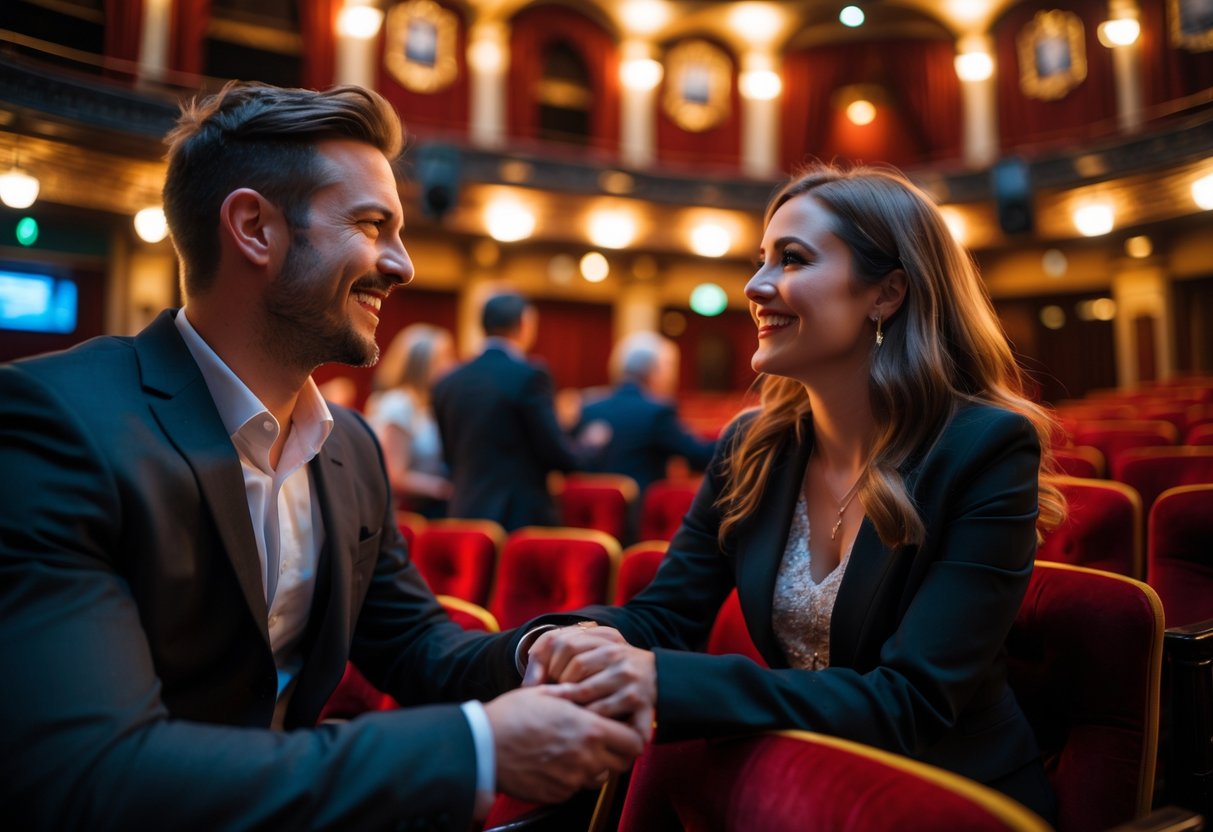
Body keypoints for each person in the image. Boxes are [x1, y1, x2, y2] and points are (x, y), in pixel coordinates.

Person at [0, 81, 643, 831]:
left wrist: (537, 651)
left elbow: (414, 644)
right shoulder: (53, 423)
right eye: (373, 225)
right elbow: (96, 772)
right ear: (254, 229)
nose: (401, 266)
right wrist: (475, 748)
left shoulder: (350, 447)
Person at [524, 164, 1066, 822]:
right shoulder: (752, 445)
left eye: (791, 259)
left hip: (949, 798)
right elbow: (665, 617)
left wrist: (664, 680)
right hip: (801, 790)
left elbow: (910, 701)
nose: (754, 286)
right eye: (760, 261)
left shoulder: (984, 447)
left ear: (885, 293)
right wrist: (561, 642)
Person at [433, 291, 606, 530]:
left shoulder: (447, 381)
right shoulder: (529, 375)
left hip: (463, 513)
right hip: (517, 518)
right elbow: (554, 452)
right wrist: (589, 445)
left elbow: (449, 456)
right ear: (525, 324)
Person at [574, 331, 716, 498]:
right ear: (653, 371)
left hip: (587, 514)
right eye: (669, 367)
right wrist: (738, 435)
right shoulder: (656, 412)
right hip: (638, 516)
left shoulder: (588, 407)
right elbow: (700, 455)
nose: (673, 377)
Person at [365, 323, 455, 518]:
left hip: (424, 510)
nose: (452, 365)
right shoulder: (399, 404)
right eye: (445, 357)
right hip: (404, 516)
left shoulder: (426, 405)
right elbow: (393, 476)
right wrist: (443, 488)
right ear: (420, 363)